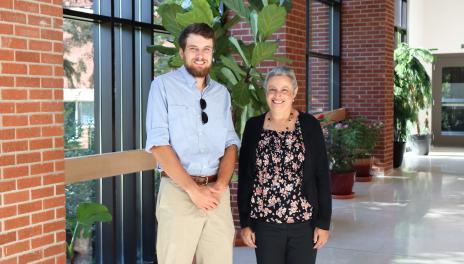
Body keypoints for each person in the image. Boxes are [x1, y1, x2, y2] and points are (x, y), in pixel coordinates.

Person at [145, 23, 240, 264]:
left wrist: (220, 185)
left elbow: (230, 144)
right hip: (178, 193)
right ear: (182, 52)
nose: (200, 55)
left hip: (216, 195)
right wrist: (192, 190)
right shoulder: (162, 87)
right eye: (194, 48)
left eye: (206, 49)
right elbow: (158, 145)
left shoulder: (222, 94)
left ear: (212, 53)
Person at [237, 66, 332, 264]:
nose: (277, 95)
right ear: (266, 92)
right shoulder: (254, 126)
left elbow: (322, 176)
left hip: (304, 225)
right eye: (272, 89)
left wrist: (323, 223)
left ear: (294, 93)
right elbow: (245, 178)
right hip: (264, 225)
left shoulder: (309, 125)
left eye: (284, 90)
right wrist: (245, 222)